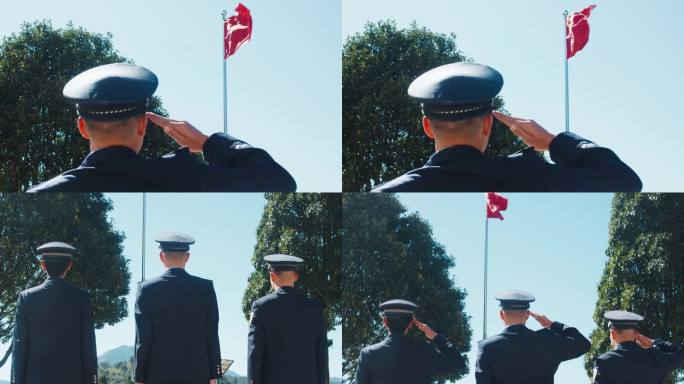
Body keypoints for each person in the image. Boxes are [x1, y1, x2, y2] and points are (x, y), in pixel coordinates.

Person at [371, 62, 642, 192]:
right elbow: (626, 181)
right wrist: (553, 142)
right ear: (488, 123)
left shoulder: (388, 192)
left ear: (428, 127)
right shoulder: (533, 177)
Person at [27, 63, 296, 192]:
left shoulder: (43, 193)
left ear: (83, 127)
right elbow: (280, 182)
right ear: (144, 124)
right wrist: (206, 142)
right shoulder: (187, 177)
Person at [132, 232, 222, 384]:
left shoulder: (146, 290)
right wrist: (214, 374)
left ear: (161, 256)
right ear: (187, 256)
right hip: (197, 375)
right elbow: (212, 334)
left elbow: (143, 338)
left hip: (157, 375)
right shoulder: (205, 288)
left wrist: (139, 377)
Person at [11, 242, 97, 384]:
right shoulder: (82, 298)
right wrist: (92, 380)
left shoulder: (26, 298)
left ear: (43, 265)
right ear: (69, 265)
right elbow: (89, 346)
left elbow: (19, 347)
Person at [475, 290, 590, 383]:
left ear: (501, 314)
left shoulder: (487, 347)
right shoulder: (548, 340)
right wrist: (554, 325)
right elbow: (583, 344)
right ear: (527, 315)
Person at [248, 254, 329, 384]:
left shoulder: (260, 307)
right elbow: (321, 353)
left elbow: (255, 353)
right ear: (296, 276)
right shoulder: (315, 309)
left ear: (272, 276)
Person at [355, 299, 466, 384]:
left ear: (385, 321)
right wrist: (434, 336)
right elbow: (458, 363)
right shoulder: (425, 351)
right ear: (411, 323)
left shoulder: (367, 355)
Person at [592, 310, 684, 383]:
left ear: (613, 333)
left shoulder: (603, 362)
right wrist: (653, 342)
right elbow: (680, 352)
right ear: (637, 333)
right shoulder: (656, 357)